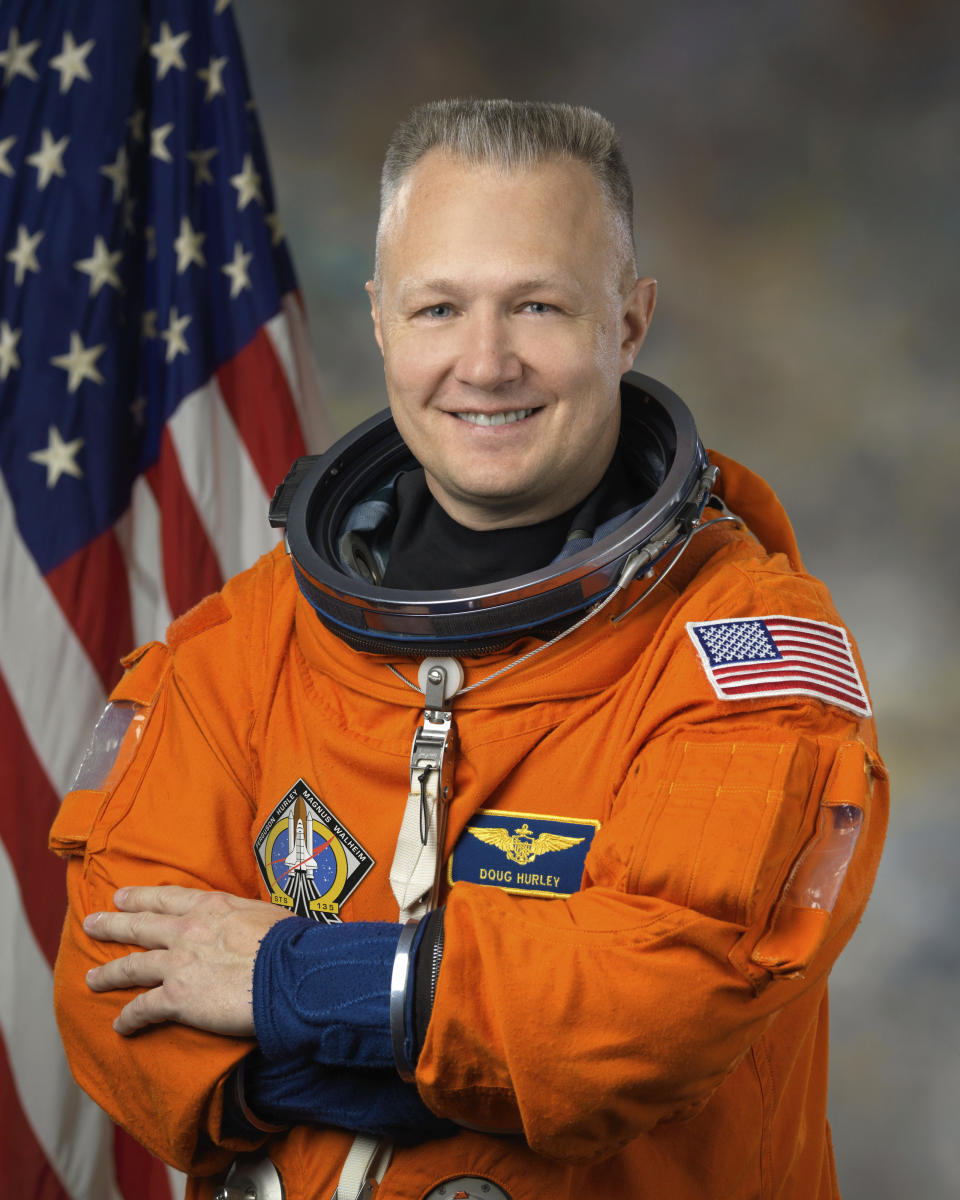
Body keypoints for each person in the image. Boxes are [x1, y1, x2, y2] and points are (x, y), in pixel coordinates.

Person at [51, 100, 887, 1200]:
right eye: (439, 307)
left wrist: (284, 981)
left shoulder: (748, 656)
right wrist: (468, 1044)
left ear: (628, 325)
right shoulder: (243, 646)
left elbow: (651, 1015)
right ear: (384, 325)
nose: (484, 363)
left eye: (536, 305)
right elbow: (113, 990)